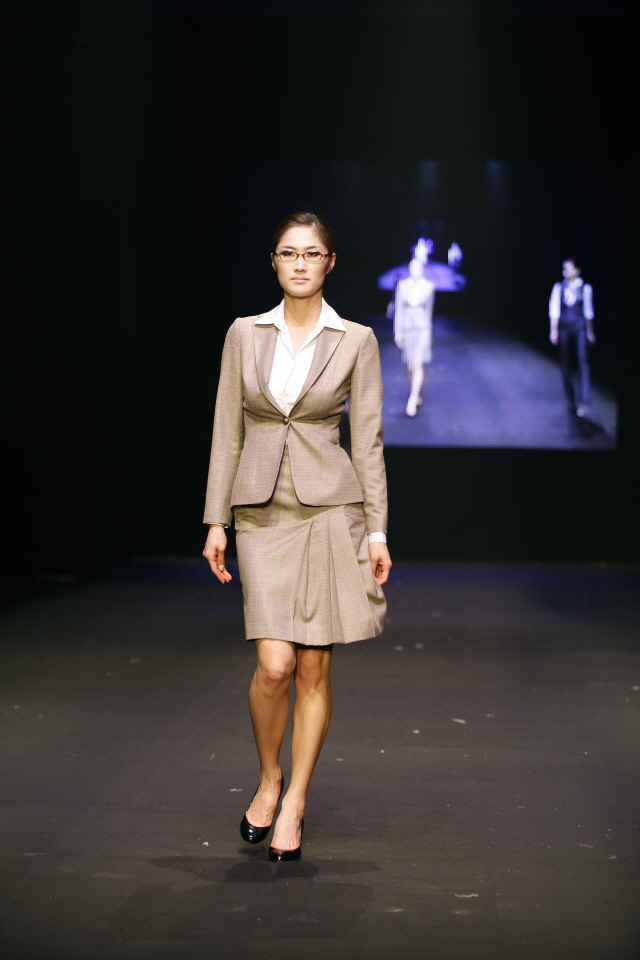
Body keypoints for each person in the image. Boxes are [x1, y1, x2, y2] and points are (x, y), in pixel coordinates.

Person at [202, 211, 391, 862]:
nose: (301, 263)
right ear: (274, 262)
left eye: (312, 253)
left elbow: (367, 443)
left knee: (311, 664)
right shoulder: (244, 334)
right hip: (261, 514)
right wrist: (216, 519)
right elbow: (226, 429)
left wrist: (377, 532)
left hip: (329, 513)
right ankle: (269, 776)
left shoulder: (356, 340)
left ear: (330, 262)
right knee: (274, 665)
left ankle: (296, 799)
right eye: (289, 253)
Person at [549, 258, 595, 417]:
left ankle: (584, 400)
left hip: (579, 327)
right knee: (566, 364)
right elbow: (554, 310)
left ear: (576, 270)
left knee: (582, 362)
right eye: (564, 269)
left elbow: (588, 312)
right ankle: (571, 399)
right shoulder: (559, 287)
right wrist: (553, 330)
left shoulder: (585, 288)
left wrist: (590, 332)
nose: (565, 272)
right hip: (565, 328)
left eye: (568, 269)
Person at [394, 257, 435, 417]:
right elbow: (399, 310)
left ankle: (412, 399)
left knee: (418, 364)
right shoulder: (402, 285)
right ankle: (417, 393)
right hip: (407, 330)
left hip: (422, 330)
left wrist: (428, 334)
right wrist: (398, 332)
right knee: (411, 366)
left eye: (417, 268)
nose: (415, 271)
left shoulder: (429, 286)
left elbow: (429, 312)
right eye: (412, 268)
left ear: (422, 269)